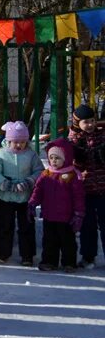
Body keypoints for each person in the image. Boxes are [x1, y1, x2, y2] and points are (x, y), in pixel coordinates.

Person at [0, 120, 42, 266]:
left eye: (22, 142)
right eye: (15, 142)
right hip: (5, 197)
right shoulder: (1, 154)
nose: (19, 145)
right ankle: (2, 253)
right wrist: (4, 184)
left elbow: (39, 171)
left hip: (25, 197)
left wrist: (30, 181)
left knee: (27, 226)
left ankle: (27, 255)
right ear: (8, 141)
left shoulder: (31, 155)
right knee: (5, 225)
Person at [29, 139, 84, 273]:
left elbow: (79, 196)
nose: (54, 161)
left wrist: (79, 213)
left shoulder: (72, 175)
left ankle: (69, 263)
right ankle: (49, 261)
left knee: (68, 242)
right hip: (49, 215)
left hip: (66, 217)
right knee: (49, 241)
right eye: (51, 158)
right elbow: (38, 190)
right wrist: (32, 203)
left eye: (58, 158)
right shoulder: (46, 174)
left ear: (66, 158)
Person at [69, 105, 104, 268]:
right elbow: (72, 165)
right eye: (85, 122)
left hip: (103, 188)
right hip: (85, 190)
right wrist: (78, 156)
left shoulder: (102, 135)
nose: (90, 125)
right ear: (77, 123)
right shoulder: (74, 140)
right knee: (87, 225)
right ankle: (88, 256)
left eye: (92, 121)